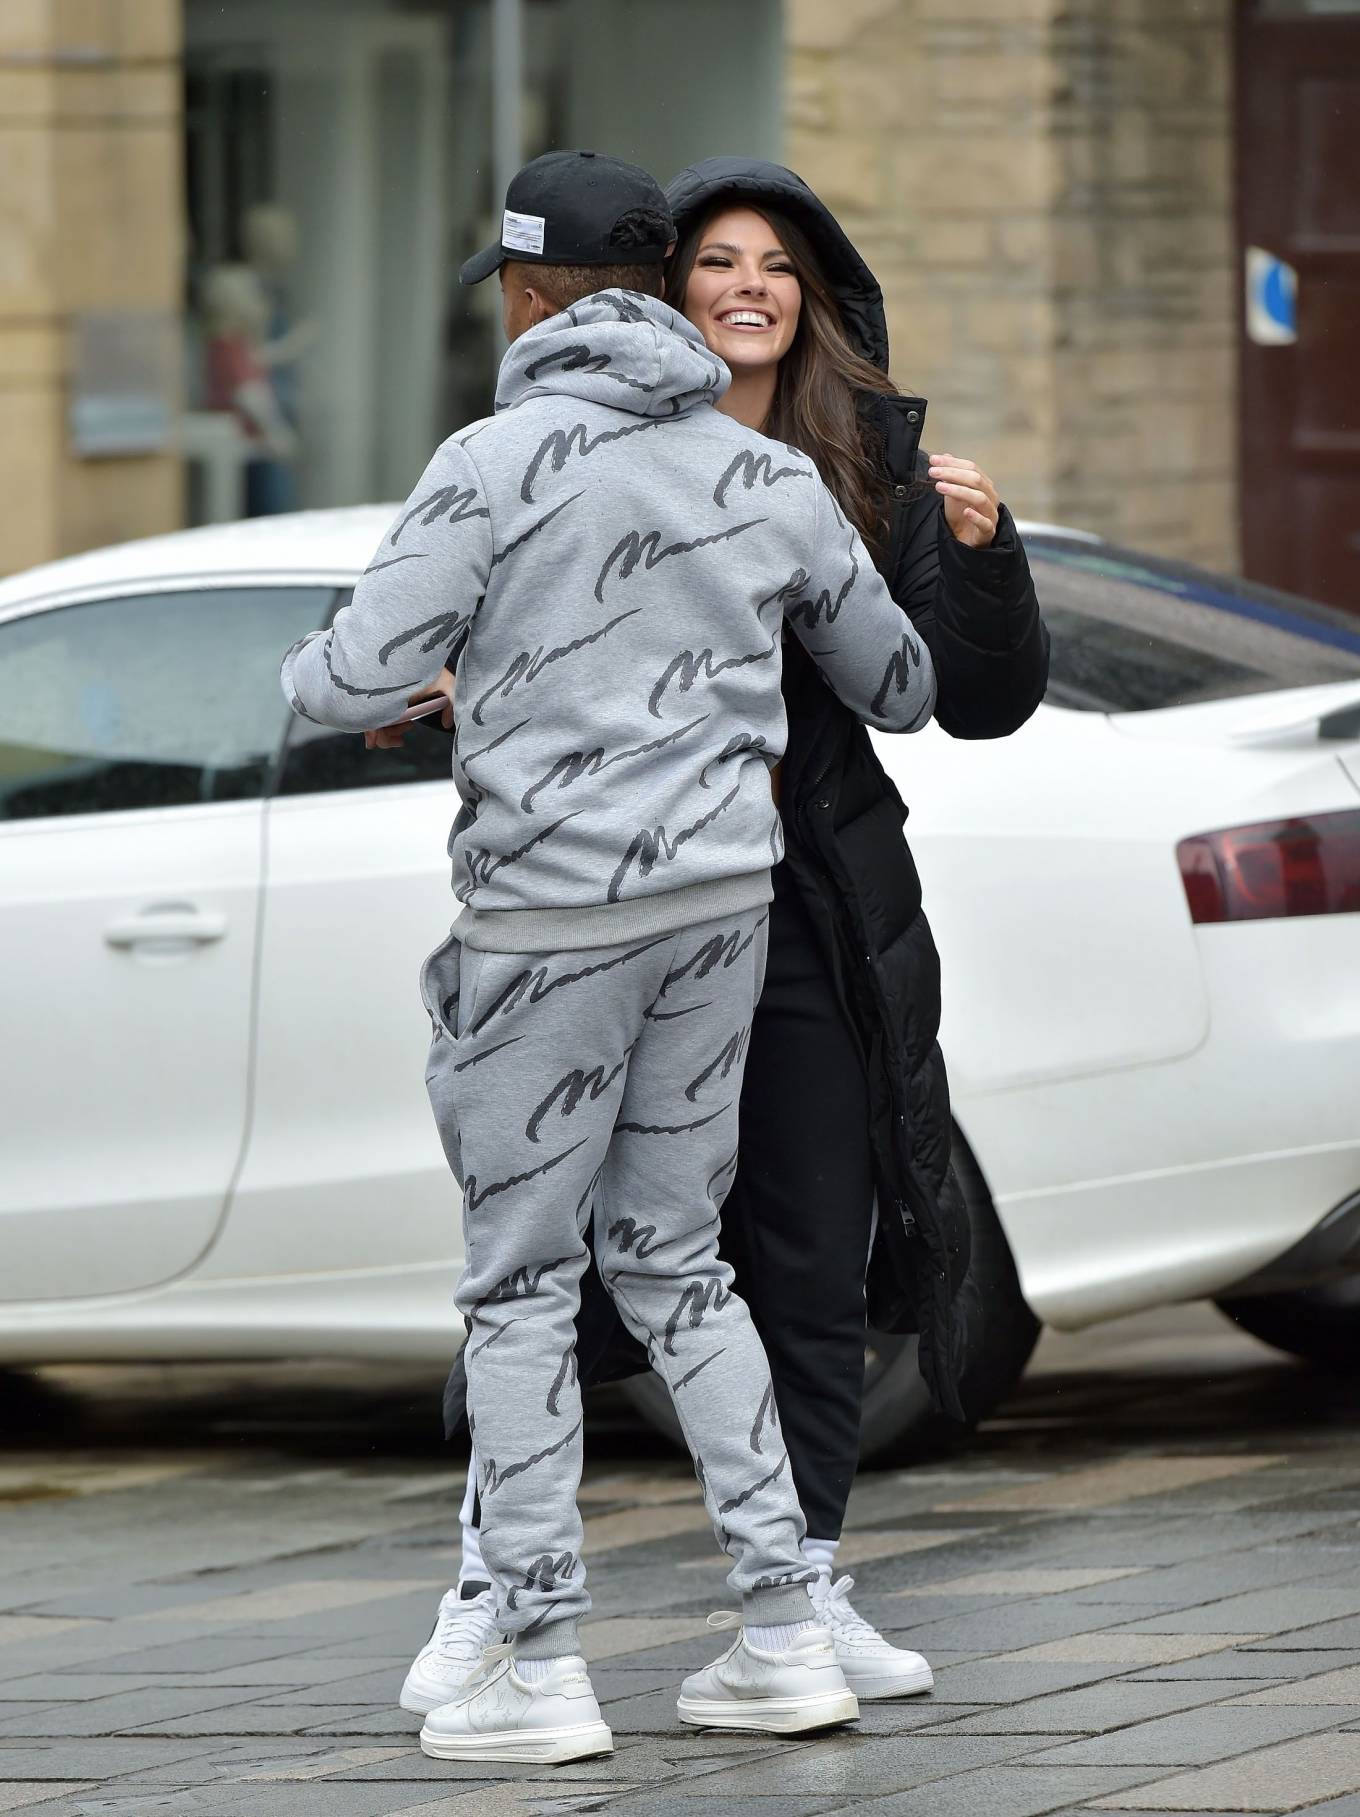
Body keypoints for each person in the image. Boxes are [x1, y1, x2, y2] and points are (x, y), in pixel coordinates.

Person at [281, 150, 939, 1765]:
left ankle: (542, 1656)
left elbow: (345, 672)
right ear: (657, 293)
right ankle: (786, 1628)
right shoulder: (759, 472)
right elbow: (905, 682)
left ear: (523, 295)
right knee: (676, 1259)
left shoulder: (489, 464)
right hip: (721, 910)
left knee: (522, 1282)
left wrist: (441, 667)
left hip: (545, 926)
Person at [406, 158, 1048, 1713]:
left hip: (805, 912)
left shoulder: (860, 452)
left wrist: (984, 559)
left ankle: (801, 1592)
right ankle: (491, 1592)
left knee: (809, 1265)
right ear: (659, 292)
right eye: (718, 261)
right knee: (557, 1272)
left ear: (810, 296)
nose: (749, 284)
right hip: (612, 909)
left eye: (779, 264)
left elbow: (969, 697)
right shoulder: (569, 446)